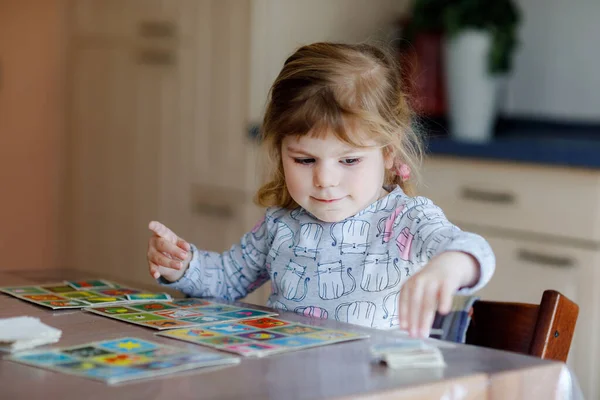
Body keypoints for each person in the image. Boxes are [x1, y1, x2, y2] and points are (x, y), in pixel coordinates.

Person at [146, 42, 495, 338]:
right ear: (281, 151)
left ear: (389, 152)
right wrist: (184, 265)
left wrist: (449, 267)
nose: (325, 180)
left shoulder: (407, 220)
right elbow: (225, 281)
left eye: (348, 161)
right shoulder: (281, 224)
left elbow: (474, 249)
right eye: (305, 160)